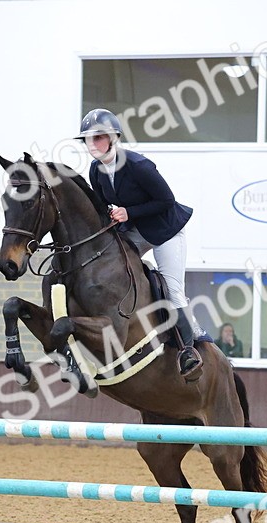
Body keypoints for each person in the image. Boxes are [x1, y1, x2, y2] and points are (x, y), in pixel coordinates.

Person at [75, 108, 202, 382]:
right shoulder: (96, 170)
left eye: (99, 137)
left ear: (113, 138)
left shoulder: (138, 166)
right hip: (134, 230)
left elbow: (166, 201)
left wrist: (128, 213)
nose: (93, 144)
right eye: (88, 139)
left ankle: (188, 349)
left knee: (173, 289)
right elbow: (101, 207)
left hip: (165, 230)